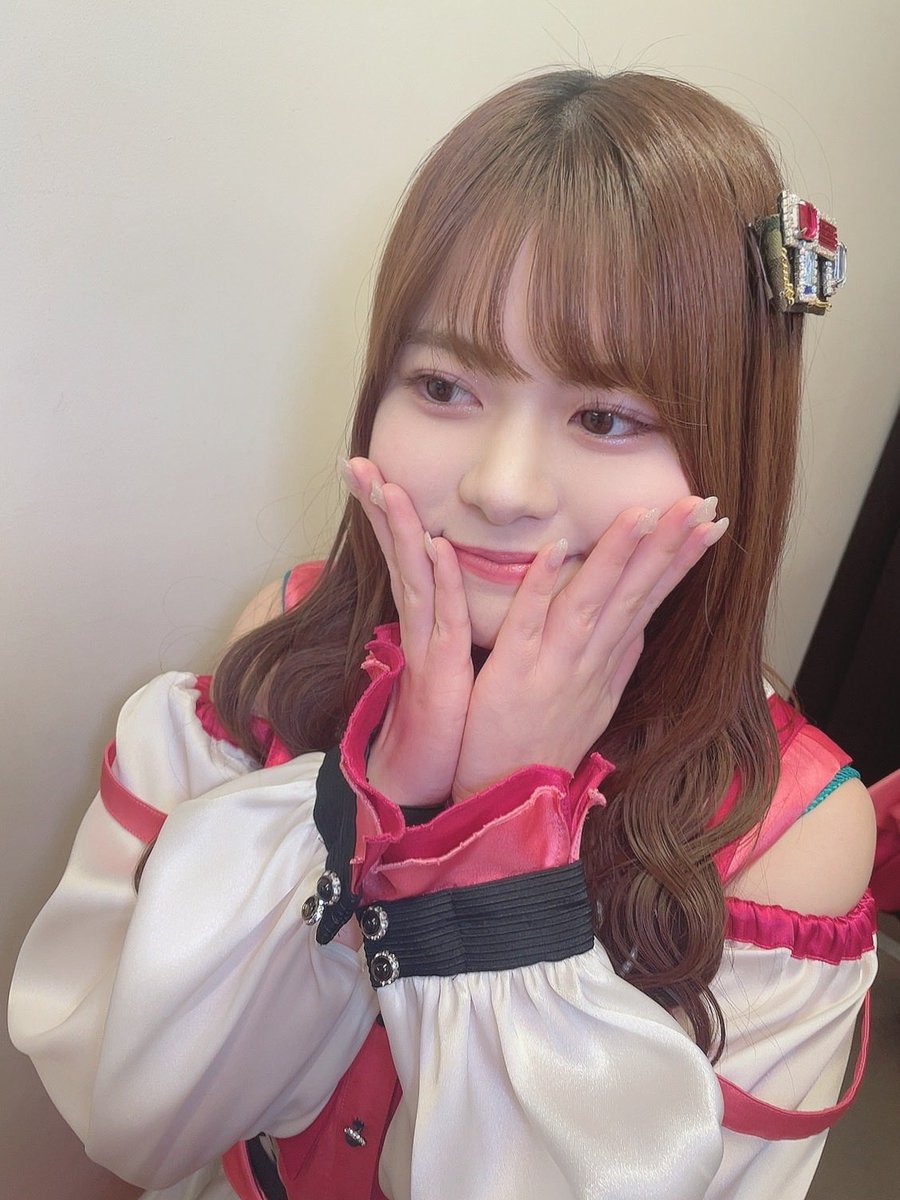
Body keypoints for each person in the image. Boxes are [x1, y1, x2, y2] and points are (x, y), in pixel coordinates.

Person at [9, 69, 876, 1200]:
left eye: (605, 416)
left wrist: (497, 837)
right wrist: (371, 791)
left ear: (734, 449)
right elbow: (142, 1116)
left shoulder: (791, 833)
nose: (500, 486)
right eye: (445, 386)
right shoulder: (286, 651)